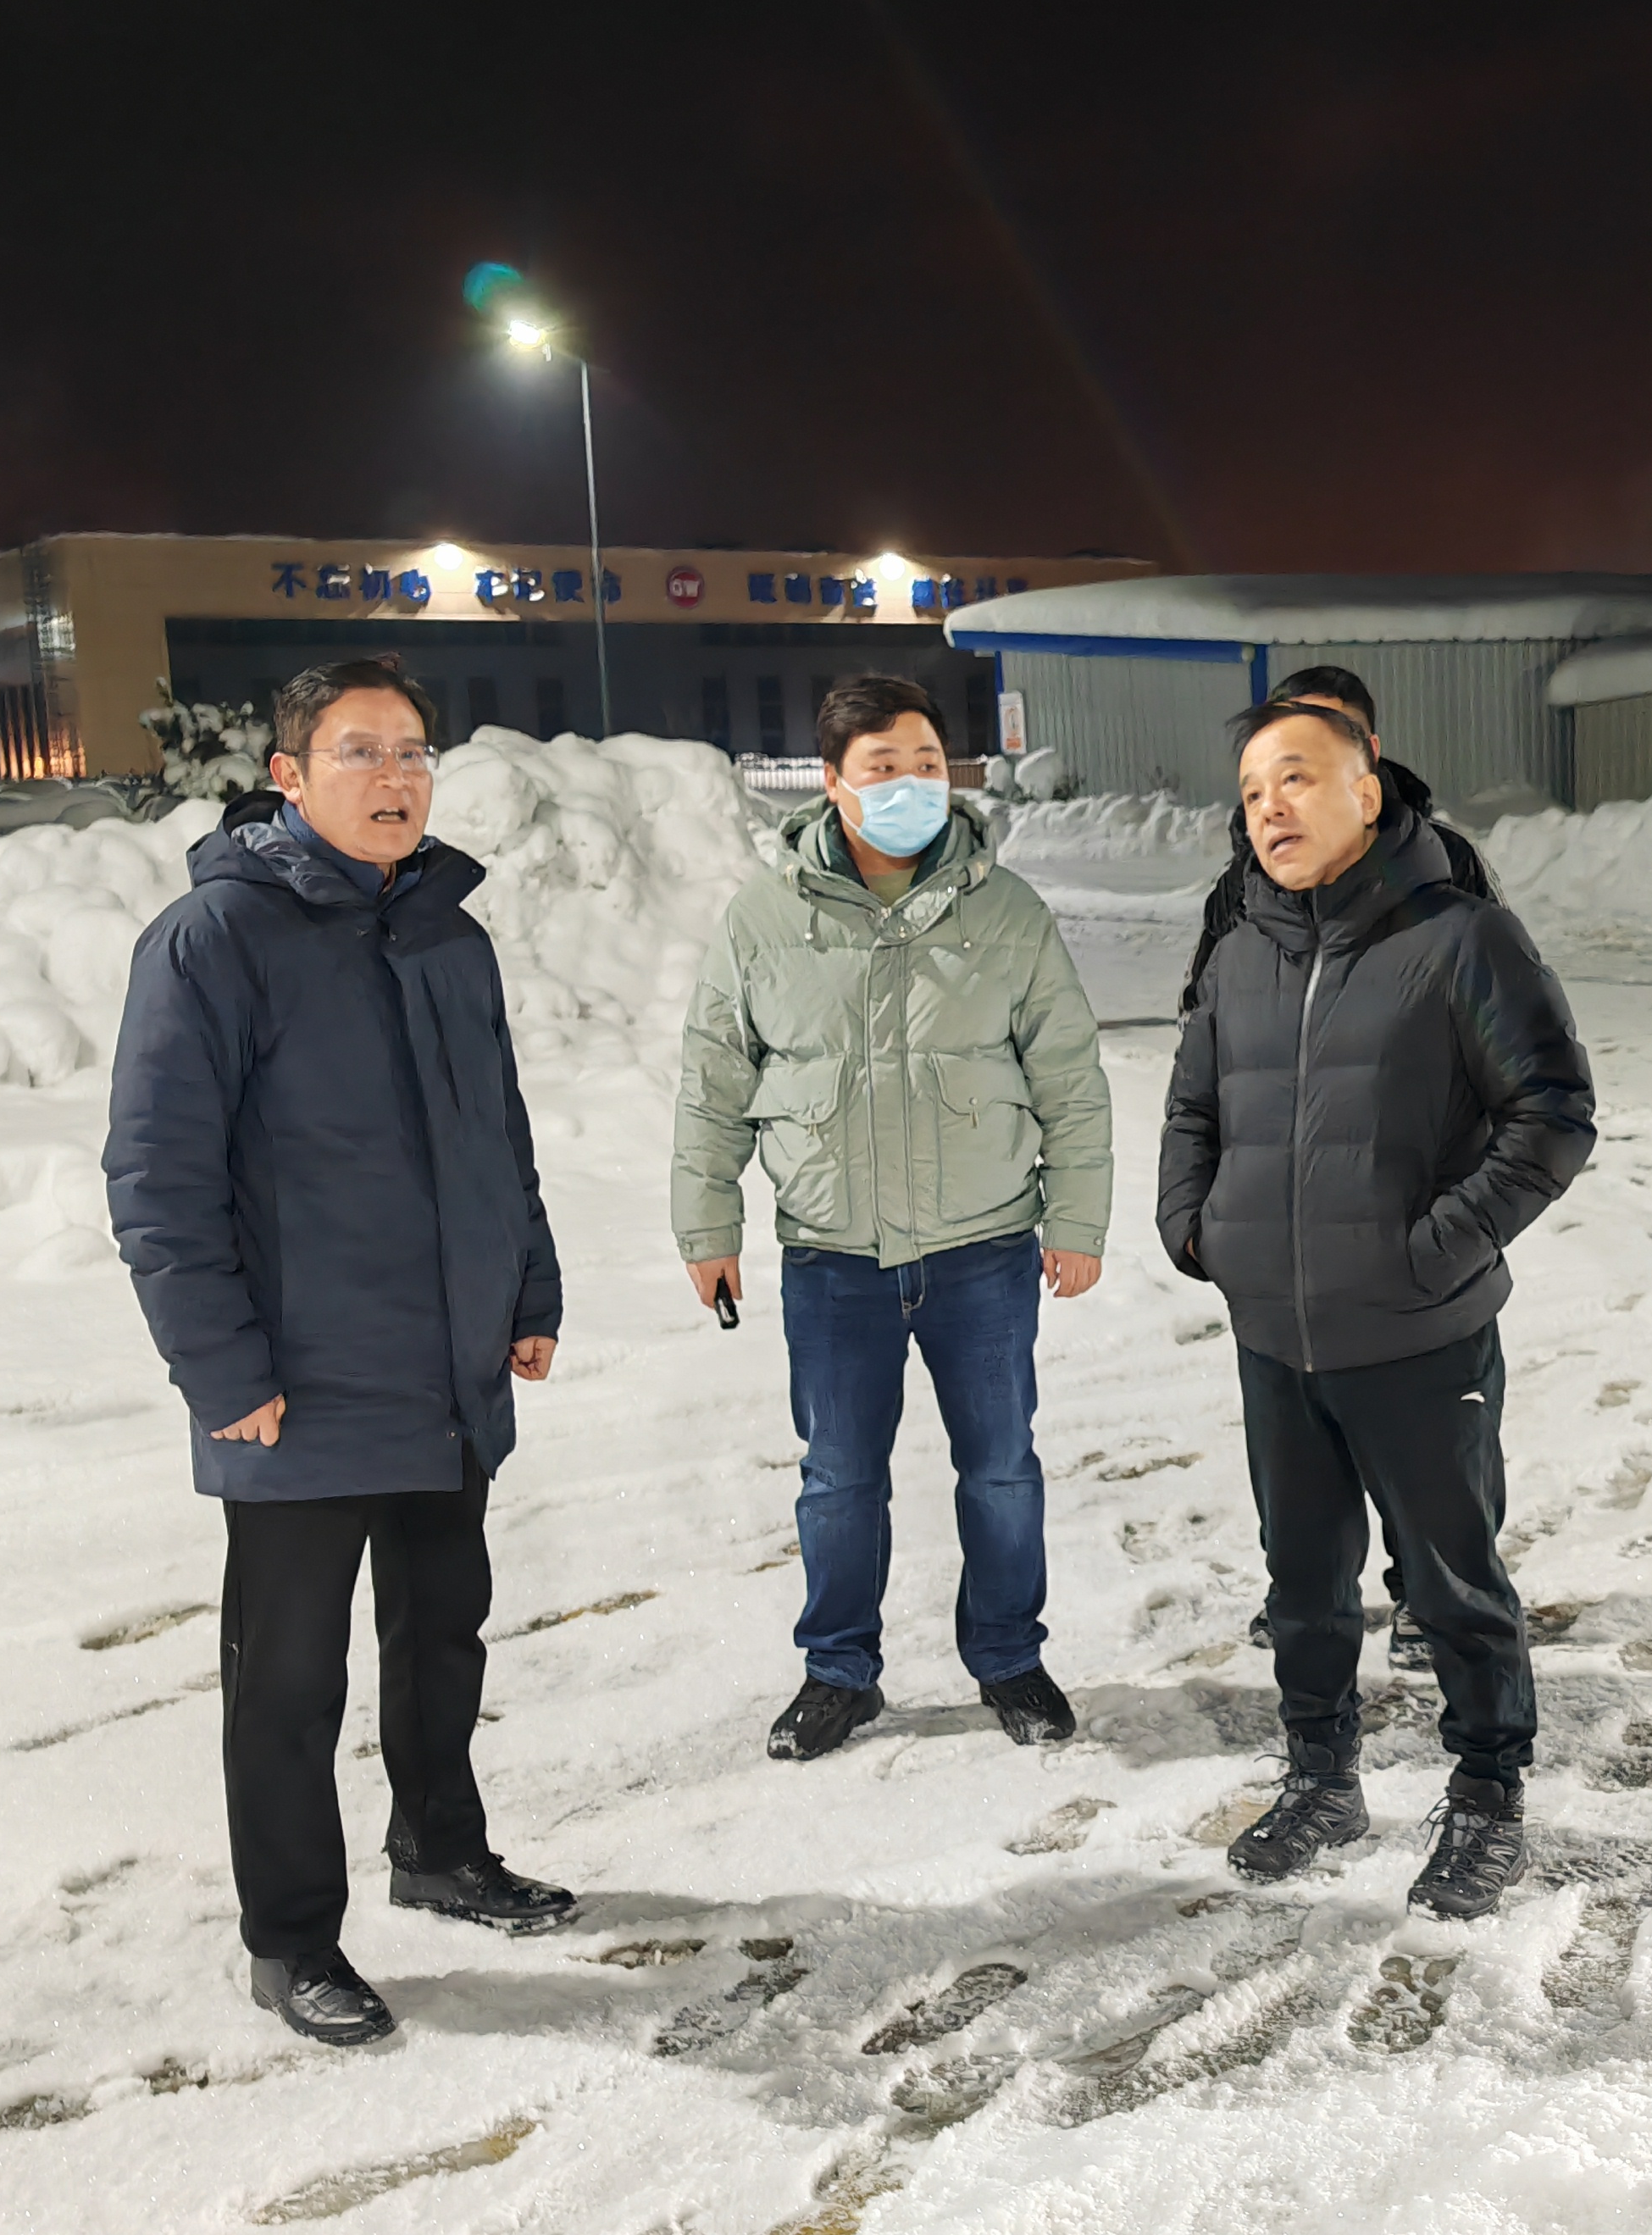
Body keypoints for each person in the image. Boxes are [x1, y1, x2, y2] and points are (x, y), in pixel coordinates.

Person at [105, 657, 579, 2050]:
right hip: (295, 1389)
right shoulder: (214, 938)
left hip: (445, 1369)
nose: (395, 776)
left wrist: (527, 1284)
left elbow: (497, 1136)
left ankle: (441, 1850)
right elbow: (158, 1178)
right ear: (289, 776)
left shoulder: (448, 938)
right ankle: (292, 1938)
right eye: (360, 751)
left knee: (442, 1635)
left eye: (414, 751)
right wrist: (221, 1370)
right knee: (288, 1682)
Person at [1158, 699, 1592, 1919]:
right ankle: (1320, 1777)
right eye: (1253, 793)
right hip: (1275, 1337)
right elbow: (1192, 1108)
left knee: (1453, 1585)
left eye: (1297, 779)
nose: (1272, 809)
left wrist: (1435, 1251)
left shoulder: (1462, 937)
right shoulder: (1238, 950)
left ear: (1368, 790)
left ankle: (1488, 1795)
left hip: (1417, 1334)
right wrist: (1197, 1229)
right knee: (1302, 1581)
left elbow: (1552, 1115)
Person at [673, 674, 1113, 1762]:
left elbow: (1069, 1074)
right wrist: (707, 1225)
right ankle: (839, 1672)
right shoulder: (763, 918)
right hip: (833, 1256)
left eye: (926, 764)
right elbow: (714, 1080)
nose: (911, 785)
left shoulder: (1005, 911)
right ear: (833, 782)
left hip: (984, 1249)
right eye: (883, 768)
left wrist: (1078, 1217)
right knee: (839, 1479)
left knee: (1002, 1470)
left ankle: (1008, 1657)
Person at [1205, 665, 1489, 1676]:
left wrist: (1442, 1234)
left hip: (1406, 1233)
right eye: (1266, 773)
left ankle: (1428, 1593)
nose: (1285, 792)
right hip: (1287, 1250)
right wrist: (1206, 1219)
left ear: (1369, 760)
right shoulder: (1242, 891)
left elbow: (1515, 1070)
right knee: (1297, 1468)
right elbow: (1208, 1051)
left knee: (1437, 1458)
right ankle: (1307, 1597)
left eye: (1326, 745)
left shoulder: (1445, 870)